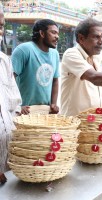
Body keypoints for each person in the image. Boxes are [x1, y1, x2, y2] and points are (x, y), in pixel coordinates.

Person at [11, 19, 60, 115]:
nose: (57, 36)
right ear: (42, 33)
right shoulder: (24, 50)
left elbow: (55, 80)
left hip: (45, 111)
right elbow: (10, 78)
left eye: (58, 33)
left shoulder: (55, 54)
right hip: (25, 111)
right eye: (53, 33)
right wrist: (17, 105)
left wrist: (53, 104)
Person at [0, 10, 22, 184]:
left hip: (7, 153)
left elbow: (14, 98)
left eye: (0, 26)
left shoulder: (4, 60)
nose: (0, 31)